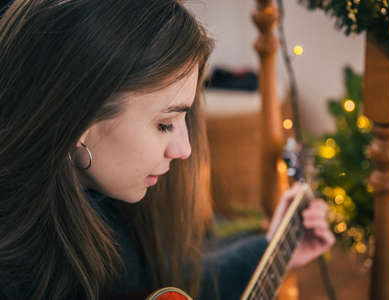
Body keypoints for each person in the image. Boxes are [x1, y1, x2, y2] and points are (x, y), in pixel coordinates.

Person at [0, 1, 335, 299]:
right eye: (164, 124)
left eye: (183, 120)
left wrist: (273, 249)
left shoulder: (106, 206)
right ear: (79, 121)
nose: (184, 149)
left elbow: (168, 287)